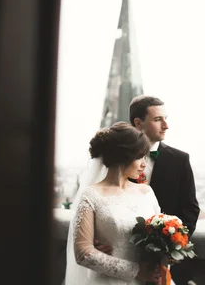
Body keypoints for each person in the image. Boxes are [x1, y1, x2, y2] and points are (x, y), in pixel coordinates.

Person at [65, 122, 167, 285]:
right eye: (139, 157)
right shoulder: (91, 195)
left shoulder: (147, 193)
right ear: (123, 156)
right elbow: (83, 253)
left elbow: (160, 237)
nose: (144, 164)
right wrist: (136, 271)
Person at [128, 95, 200, 285]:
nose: (166, 125)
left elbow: (190, 209)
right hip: (126, 257)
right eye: (158, 119)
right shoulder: (120, 159)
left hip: (169, 264)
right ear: (138, 123)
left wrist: (172, 247)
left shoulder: (180, 159)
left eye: (166, 118)